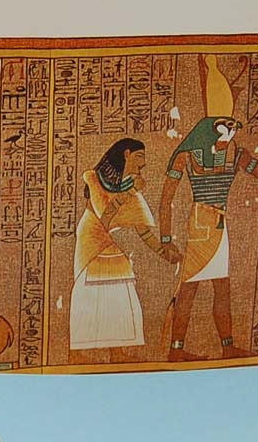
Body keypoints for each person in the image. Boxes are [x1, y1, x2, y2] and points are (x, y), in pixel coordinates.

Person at [158, 55, 258, 360]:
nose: (231, 133)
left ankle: (226, 347)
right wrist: (165, 239)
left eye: (233, 127)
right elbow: (166, 199)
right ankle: (176, 350)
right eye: (225, 127)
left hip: (218, 224)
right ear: (209, 129)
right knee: (190, 286)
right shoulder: (187, 156)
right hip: (201, 224)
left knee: (221, 287)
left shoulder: (236, 154)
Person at [70, 138, 179, 360]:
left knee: (119, 295)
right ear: (126, 154)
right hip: (94, 241)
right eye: (140, 156)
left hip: (114, 244)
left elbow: (142, 230)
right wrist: (129, 192)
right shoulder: (95, 178)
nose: (143, 163)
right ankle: (77, 353)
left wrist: (164, 253)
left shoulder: (129, 185)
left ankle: (117, 352)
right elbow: (106, 217)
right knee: (90, 297)